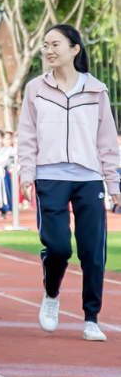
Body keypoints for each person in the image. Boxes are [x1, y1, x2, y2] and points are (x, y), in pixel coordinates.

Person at [18, 24, 120, 342]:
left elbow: (106, 141)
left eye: (55, 44)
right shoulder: (35, 89)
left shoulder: (96, 90)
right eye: (45, 45)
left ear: (75, 49)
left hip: (89, 178)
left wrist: (114, 182)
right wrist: (26, 173)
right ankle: (51, 295)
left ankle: (91, 317)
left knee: (92, 251)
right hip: (49, 177)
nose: (49, 50)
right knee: (59, 247)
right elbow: (27, 135)